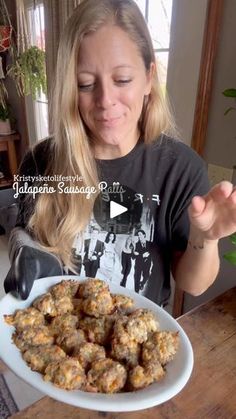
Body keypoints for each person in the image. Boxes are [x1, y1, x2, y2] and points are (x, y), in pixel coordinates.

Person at [4, 0, 236, 306]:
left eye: (122, 80)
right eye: (85, 84)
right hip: (58, 337)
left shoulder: (179, 168)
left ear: (148, 78)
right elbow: (24, 243)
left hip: (135, 343)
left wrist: (205, 239)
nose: (105, 100)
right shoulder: (40, 162)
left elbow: (193, 284)